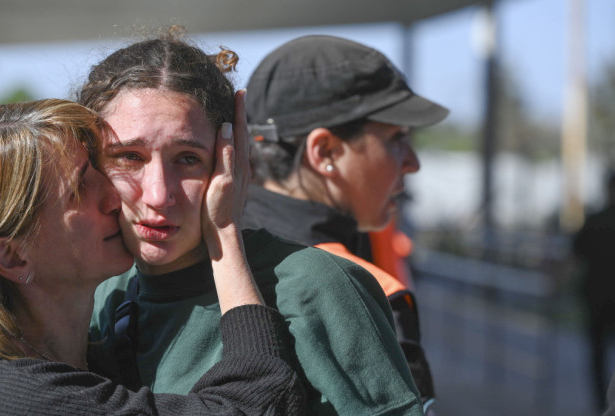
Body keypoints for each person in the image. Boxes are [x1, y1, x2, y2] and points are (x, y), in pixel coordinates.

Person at [0, 99, 305, 415]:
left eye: (103, 168)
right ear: (13, 257)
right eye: (81, 187)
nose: (115, 197)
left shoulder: (90, 358)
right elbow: (258, 405)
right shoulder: (17, 399)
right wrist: (224, 235)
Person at [79, 29, 424, 415]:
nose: (159, 194)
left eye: (188, 158)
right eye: (128, 157)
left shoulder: (316, 288)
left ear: (233, 156)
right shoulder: (100, 294)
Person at [242, 35, 449, 413]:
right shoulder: (360, 289)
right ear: (325, 153)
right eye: (396, 138)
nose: (413, 162)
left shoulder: (201, 248)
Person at [573, 170, 615, 412]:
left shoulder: (595, 220)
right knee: (597, 361)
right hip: (597, 301)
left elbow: (573, 258)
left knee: (597, 361)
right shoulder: (595, 221)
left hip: (596, 301)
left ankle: (601, 406)